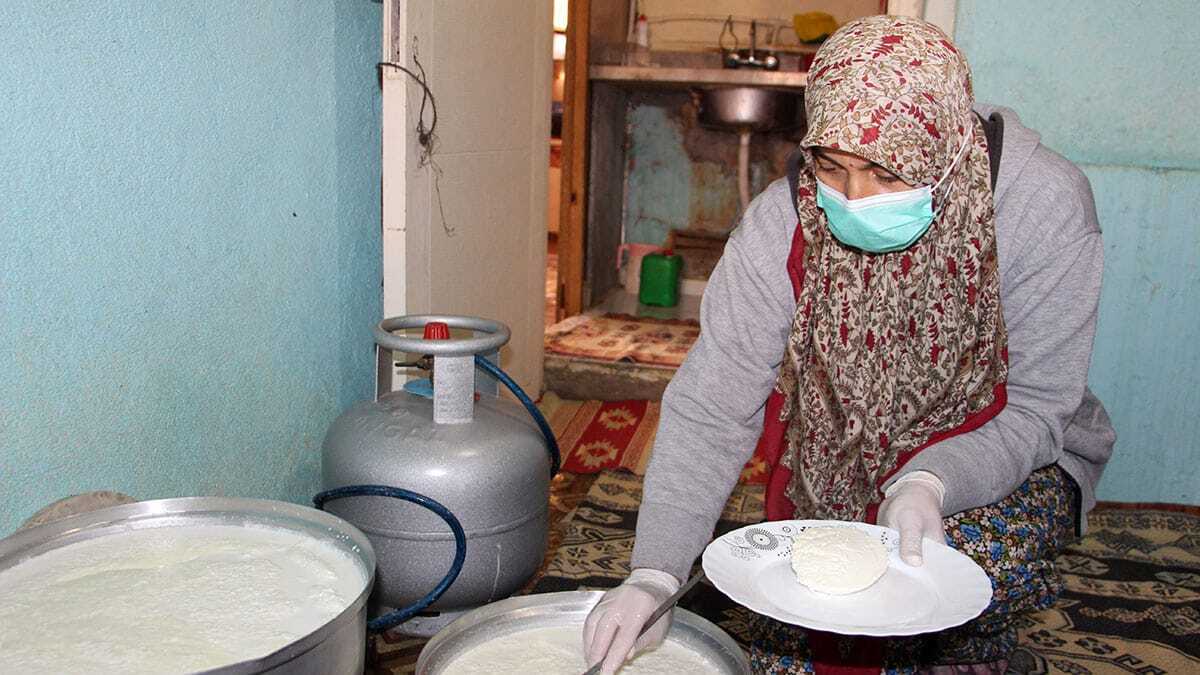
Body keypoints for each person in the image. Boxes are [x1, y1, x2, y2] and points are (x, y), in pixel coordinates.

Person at [581, 14, 1116, 675]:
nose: (853, 200)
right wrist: (655, 574)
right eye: (831, 166)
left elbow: (1036, 406)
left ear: (945, 147)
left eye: (886, 174)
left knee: (961, 572)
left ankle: (975, 645)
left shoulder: (1043, 208)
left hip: (1009, 453)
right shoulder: (785, 218)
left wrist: (929, 480)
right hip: (838, 453)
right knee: (792, 636)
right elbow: (714, 402)